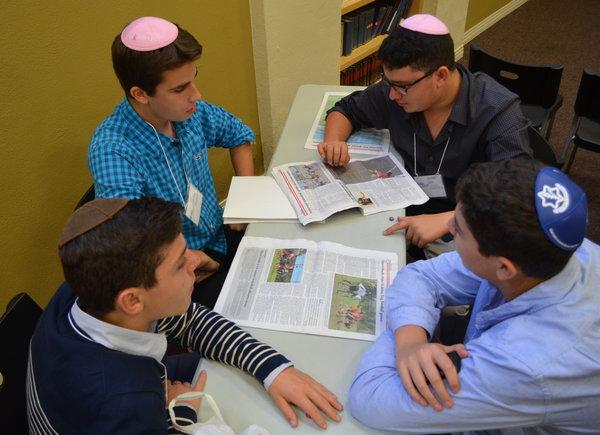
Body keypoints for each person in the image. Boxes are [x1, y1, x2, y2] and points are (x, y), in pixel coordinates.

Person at [27, 197, 343, 434]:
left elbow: (191, 321)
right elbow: (126, 409)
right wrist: (183, 415)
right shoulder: (123, 402)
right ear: (133, 300)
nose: (196, 261)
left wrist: (274, 370)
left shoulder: (88, 291)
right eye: (180, 263)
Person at [348, 159, 600, 433]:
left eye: (458, 229)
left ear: (503, 268)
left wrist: (402, 330)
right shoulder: (552, 247)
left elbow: (372, 399)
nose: (448, 227)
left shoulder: (525, 363)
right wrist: (410, 342)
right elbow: (421, 276)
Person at [318, 14, 531, 258]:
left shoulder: (497, 111)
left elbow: (517, 195)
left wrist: (451, 219)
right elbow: (346, 109)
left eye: (402, 87)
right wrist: (333, 141)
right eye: (389, 83)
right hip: (401, 205)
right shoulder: (399, 91)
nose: (392, 96)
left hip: (467, 222)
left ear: (440, 76)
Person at [89, 16, 253, 308]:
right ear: (139, 94)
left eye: (193, 80)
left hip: (219, 236)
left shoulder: (190, 114)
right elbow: (135, 244)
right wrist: (192, 261)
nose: (196, 95)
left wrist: (244, 202)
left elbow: (239, 136)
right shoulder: (113, 151)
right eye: (180, 89)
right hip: (184, 272)